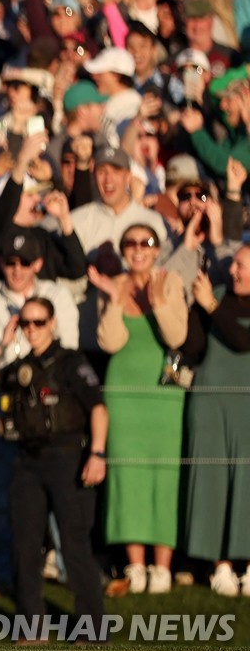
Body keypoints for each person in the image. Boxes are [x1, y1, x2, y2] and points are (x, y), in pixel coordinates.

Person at [0, 298, 108, 641]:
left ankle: (92, 627)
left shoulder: (71, 363)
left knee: (74, 544)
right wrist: (2, 343)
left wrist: (97, 454)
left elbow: (98, 409)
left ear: (53, 323)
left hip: (68, 458)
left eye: (39, 322)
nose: (32, 330)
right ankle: (31, 625)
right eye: (26, 324)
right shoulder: (19, 367)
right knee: (25, 544)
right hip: (28, 461)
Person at [90, 225, 188, 594]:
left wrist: (158, 301)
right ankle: (135, 564)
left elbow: (177, 337)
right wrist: (115, 299)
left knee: (164, 475)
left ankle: (162, 567)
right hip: (123, 393)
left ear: (157, 248)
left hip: (164, 395)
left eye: (145, 243)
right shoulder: (113, 284)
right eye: (129, 244)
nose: (137, 250)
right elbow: (109, 341)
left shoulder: (171, 281)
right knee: (127, 476)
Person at [184, 246, 250, 597]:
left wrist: (210, 305)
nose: (233, 270)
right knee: (213, 483)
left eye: (241, 265)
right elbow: (194, 347)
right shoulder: (216, 296)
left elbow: (243, 341)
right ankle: (219, 564)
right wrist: (197, 308)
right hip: (211, 404)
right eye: (233, 263)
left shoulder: (215, 301)